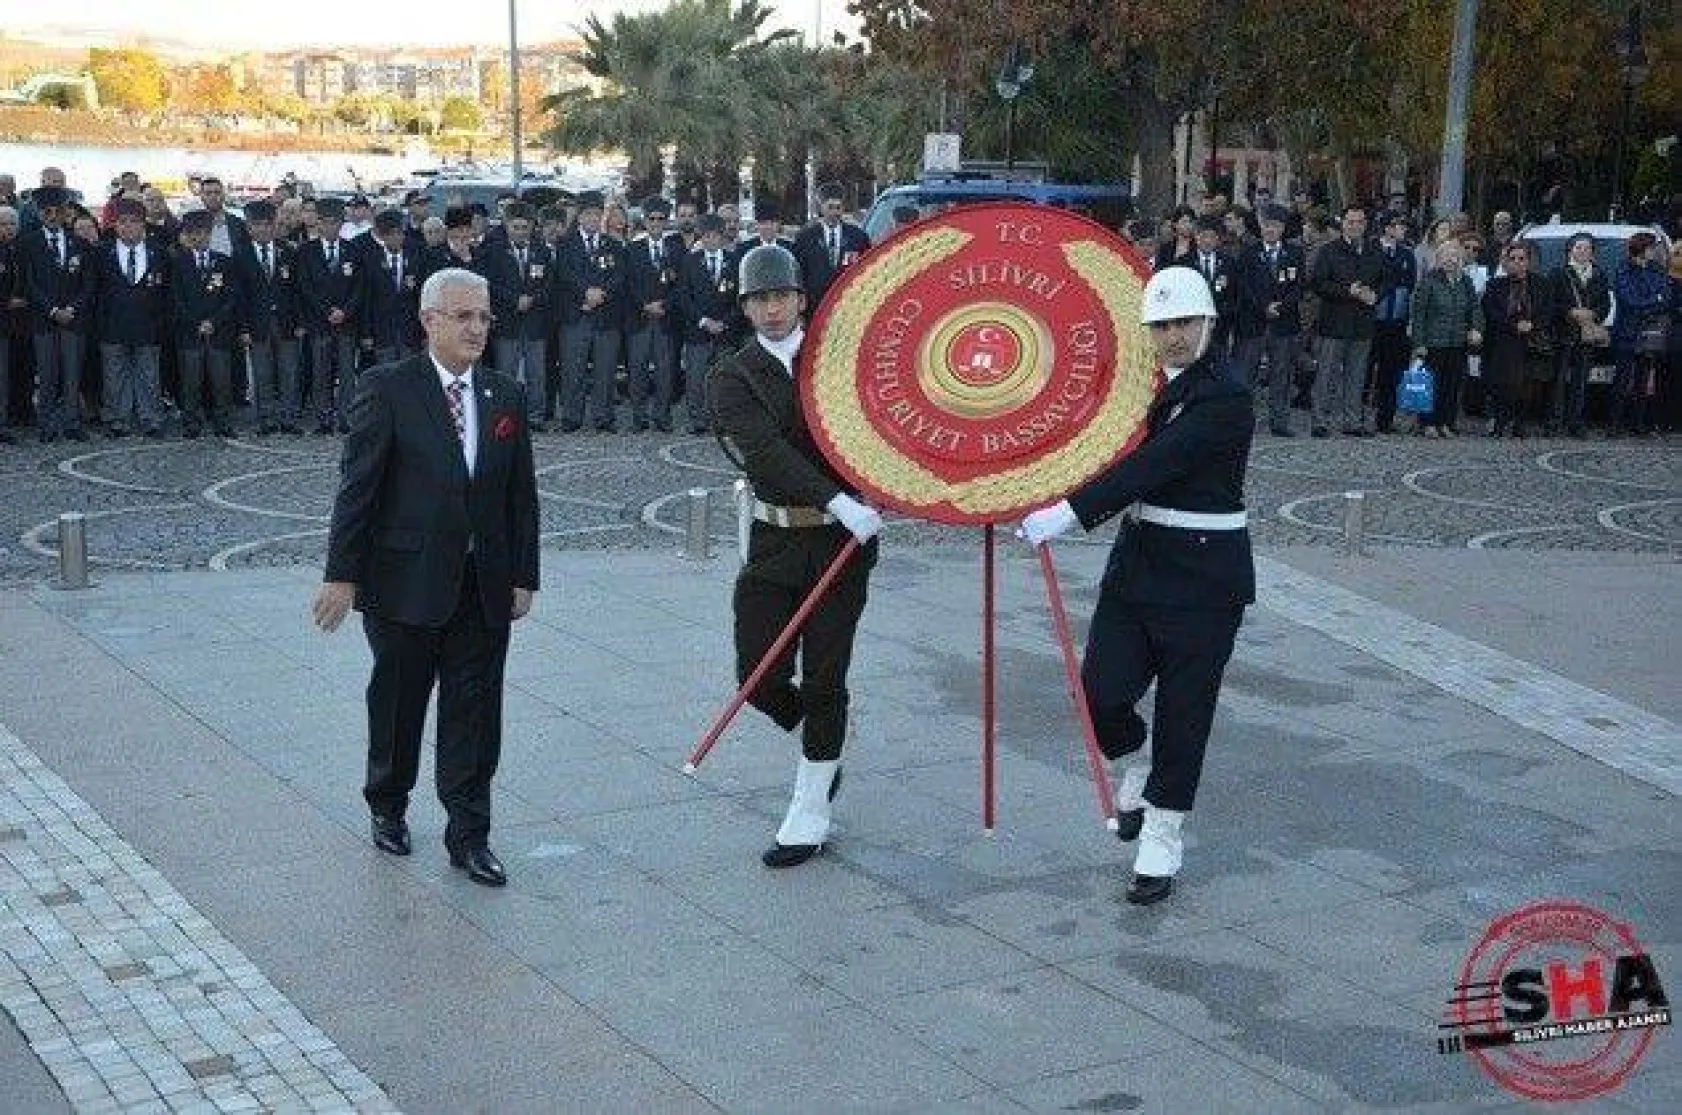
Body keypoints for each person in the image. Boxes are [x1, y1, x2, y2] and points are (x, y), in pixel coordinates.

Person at [1017, 266, 1254, 906]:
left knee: (1185, 711)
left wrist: (1067, 513)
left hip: (1205, 579)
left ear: (1208, 323)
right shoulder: (1141, 387)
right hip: (1140, 565)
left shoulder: (1227, 396)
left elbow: (1157, 463)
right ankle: (1138, 764)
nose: (1173, 336)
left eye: (1183, 323)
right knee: (1100, 695)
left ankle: (1164, 833)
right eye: (1161, 326)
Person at [311, 268, 541, 887]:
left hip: (483, 585)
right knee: (399, 703)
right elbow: (357, 489)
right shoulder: (386, 388)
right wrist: (341, 576)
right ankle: (388, 804)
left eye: (485, 318)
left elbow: (522, 495)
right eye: (463, 316)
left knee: (475, 713)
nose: (477, 328)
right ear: (429, 320)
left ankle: (470, 835)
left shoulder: (503, 395)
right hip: (403, 581)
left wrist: (524, 574)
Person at [708, 245, 883, 868]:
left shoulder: (842, 360)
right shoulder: (733, 375)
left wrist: (885, 485)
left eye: (781, 296)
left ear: (802, 299)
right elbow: (766, 453)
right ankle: (821, 733)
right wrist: (839, 499)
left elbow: (882, 422)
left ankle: (810, 804)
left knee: (826, 674)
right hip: (776, 537)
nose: (773, 309)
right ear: (746, 306)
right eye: (760, 299)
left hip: (844, 544)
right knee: (758, 676)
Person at [20, 184, 95, 442]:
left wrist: (73, 308)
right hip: (44, 319)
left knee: (73, 374)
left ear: (66, 213)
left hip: (74, 319)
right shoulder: (28, 244)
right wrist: (52, 309)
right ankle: (46, 424)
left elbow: (88, 283)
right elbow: (29, 283)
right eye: (46, 211)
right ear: (40, 213)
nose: (52, 216)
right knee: (47, 374)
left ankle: (72, 422)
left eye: (57, 211)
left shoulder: (80, 243)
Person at [92, 198, 169, 439]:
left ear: (143, 225)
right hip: (113, 323)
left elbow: (166, 291)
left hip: (148, 324)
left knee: (149, 374)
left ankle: (151, 418)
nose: (128, 227)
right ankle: (118, 418)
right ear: (115, 225)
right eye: (122, 222)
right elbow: (95, 289)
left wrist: (161, 320)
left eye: (134, 222)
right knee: (115, 375)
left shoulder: (158, 252)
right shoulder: (102, 253)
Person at [1308, 205, 1383, 437]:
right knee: (1326, 375)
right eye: (1351, 221)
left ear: (1365, 224)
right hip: (1334, 322)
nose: (1355, 226)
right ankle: (1320, 420)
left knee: (1357, 375)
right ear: (1343, 223)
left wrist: (1375, 294)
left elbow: (1383, 279)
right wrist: (1347, 291)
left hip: (1362, 322)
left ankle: (1352, 420)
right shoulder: (1329, 250)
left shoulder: (1374, 250)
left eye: (1359, 222)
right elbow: (1318, 284)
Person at [1231, 204, 1305, 435]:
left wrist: (1280, 307)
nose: (1270, 230)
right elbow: (1243, 286)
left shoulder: (1294, 253)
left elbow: (1299, 286)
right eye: (1266, 225)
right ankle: (1242, 419)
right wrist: (1263, 307)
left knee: (1281, 374)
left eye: (1274, 226)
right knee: (1247, 373)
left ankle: (1279, 421)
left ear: (1282, 228)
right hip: (1253, 322)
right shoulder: (1248, 253)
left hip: (1284, 322)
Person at [555, 190, 625, 432]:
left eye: (597, 214)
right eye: (588, 215)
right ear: (580, 217)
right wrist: (585, 294)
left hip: (605, 317)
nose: (593, 219)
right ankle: (572, 417)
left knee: (605, 371)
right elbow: (563, 276)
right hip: (576, 315)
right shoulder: (565, 244)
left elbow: (619, 277)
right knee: (573, 369)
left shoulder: (613, 245)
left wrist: (600, 294)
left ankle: (603, 417)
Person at [238, 200, 307, 436]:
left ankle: (289, 417)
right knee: (262, 373)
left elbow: (297, 290)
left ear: (274, 225)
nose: (263, 230)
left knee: (289, 371)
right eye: (257, 225)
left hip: (286, 322)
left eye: (267, 224)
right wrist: (243, 328)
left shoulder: (288, 251)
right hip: (257, 324)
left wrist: (299, 322)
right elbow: (239, 296)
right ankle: (266, 417)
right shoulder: (241, 255)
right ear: (249, 228)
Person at [297, 197, 365, 434]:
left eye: (334, 222)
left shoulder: (353, 250)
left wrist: (344, 312)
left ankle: (346, 417)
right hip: (320, 322)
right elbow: (305, 287)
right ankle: (323, 418)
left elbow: (359, 287)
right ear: (318, 223)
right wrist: (326, 312)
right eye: (325, 222)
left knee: (347, 374)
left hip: (346, 323)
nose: (330, 227)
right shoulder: (306, 251)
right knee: (321, 373)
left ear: (340, 224)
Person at [482, 201, 552, 430]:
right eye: (516, 227)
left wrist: (532, 299)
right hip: (508, 322)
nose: (520, 231)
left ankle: (535, 416)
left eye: (524, 227)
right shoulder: (495, 251)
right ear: (507, 226)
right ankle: (505, 417)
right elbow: (490, 284)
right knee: (506, 374)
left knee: (536, 374)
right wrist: (514, 299)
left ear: (532, 226)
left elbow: (550, 284)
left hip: (535, 322)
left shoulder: (542, 251)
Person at [172, 209, 241, 438]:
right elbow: (176, 299)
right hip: (190, 333)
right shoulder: (178, 263)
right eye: (190, 232)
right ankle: (191, 422)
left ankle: (223, 422)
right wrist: (196, 323)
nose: (196, 237)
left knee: (221, 382)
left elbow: (231, 298)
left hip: (218, 332)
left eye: (200, 232)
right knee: (191, 382)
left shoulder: (224, 262)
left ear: (209, 233)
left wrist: (214, 321)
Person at [1407, 239, 1483, 438]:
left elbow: (1474, 307)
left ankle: (1446, 422)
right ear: (1439, 259)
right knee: (1431, 384)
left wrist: (1476, 328)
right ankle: (1428, 423)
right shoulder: (1429, 281)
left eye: (1455, 256)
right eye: (1446, 256)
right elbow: (1419, 313)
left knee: (1452, 385)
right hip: (1433, 342)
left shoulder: (1465, 281)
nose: (1450, 260)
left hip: (1457, 341)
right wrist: (1419, 343)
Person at [1481, 241, 1556, 438]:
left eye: (1522, 259)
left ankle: (1520, 423)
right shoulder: (1495, 285)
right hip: (1504, 340)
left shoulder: (1542, 284)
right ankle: (1500, 421)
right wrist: (1514, 326)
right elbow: (1491, 311)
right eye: (1512, 259)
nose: (1517, 263)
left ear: (1529, 261)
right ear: (1506, 262)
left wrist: (1532, 325)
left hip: (1532, 340)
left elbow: (1548, 310)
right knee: (1502, 384)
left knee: (1527, 385)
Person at [676, 213, 738, 435]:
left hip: (725, 330)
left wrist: (725, 322)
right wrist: (703, 321)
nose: (711, 240)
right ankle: (698, 418)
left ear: (723, 237)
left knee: (724, 378)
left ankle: (722, 420)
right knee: (695, 377)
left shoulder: (735, 261)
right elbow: (683, 296)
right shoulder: (690, 261)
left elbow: (740, 298)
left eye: (716, 236)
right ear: (701, 238)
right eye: (707, 236)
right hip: (698, 330)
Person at [624, 197, 680, 431]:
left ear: (666, 222)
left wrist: (664, 305)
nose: (656, 223)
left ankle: (662, 416)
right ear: (644, 221)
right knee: (637, 370)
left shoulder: (676, 250)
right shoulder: (632, 249)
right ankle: (639, 416)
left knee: (665, 372)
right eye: (651, 219)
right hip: (640, 319)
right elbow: (627, 284)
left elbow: (683, 285)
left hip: (666, 320)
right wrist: (645, 306)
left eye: (661, 219)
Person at [1608, 232, 1672, 437]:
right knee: (1622, 380)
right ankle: (1615, 424)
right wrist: (1653, 301)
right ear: (1642, 249)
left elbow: (1666, 298)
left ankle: (1638, 423)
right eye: (1651, 247)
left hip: (1649, 332)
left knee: (1643, 382)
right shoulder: (1623, 270)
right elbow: (1630, 301)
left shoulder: (1657, 270)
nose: (1654, 251)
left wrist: (1650, 302)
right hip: (1627, 332)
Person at [1551, 233, 1612, 438]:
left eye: (1587, 248)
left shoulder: (1600, 275)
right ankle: (1554, 422)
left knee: (1580, 381)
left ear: (1592, 253)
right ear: (1571, 250)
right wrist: (1570, 312)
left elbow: (1606, 304)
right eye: (1578, 247)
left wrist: (1593, 314)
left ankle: (1575, 422)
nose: (1582, 251)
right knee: (1558, 380)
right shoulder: (1558, 273)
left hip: (1587, 335)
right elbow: (1551, 303)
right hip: (1564, 333)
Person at [1369, 212, 1418, 434]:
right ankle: (1356, 416)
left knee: (1392, 373)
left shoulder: (1407, 255)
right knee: (1364, 370)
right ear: (1387, 228)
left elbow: (1410, 286)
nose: (1402, 229)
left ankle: (1385, 419)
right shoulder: (1371, 249)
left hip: (1397, 322)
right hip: (1372, 320)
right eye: (1399, 225)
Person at [791, 186, 869, 311]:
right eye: (830, 207)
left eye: (838, 207)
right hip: (815, 308)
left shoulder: (858, 237)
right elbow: (798, 275)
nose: (835, 213)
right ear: (821, 207)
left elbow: (866, 271)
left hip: (849, 307)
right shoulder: (805, 238)